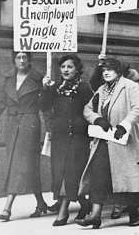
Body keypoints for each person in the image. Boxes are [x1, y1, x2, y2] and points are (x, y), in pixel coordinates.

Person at [77, 57, 139, 229]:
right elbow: (87, 109)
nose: (106, 73)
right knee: (99, 175)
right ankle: (95, 215)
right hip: (105, 139)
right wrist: (97, 119)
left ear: (118, 71)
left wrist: (124, 125)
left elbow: (137, 109)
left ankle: (133, 212)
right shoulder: (102, 90)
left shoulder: (129, 86)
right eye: (103, 70)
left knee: (126, 176)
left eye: (110, 69)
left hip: (125, 139)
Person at [0, 51, 54, 221]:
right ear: (14, 60)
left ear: (29, 60)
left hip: (29, 123)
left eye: (25, 57)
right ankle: (41, 202)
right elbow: (0, 102)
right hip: (12, 125)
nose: (22, 60)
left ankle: (7, 208)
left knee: (19, 164)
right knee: (27, 164)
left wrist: (45, 88)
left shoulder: (38, 79)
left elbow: (45, 105)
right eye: (18, 57)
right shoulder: (8, 79)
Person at [40, 55, 93, 226]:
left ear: (77, 69)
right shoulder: (56, 87)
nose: (65, 70)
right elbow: (43, 106)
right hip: (60, 138)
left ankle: (63, 212)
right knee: (61, 173)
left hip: (78, 137)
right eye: (63, 66)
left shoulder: (84, 88)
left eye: (70, 66)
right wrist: (45, 88)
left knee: (71, 173)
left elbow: (92, 110)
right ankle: (85, 204)